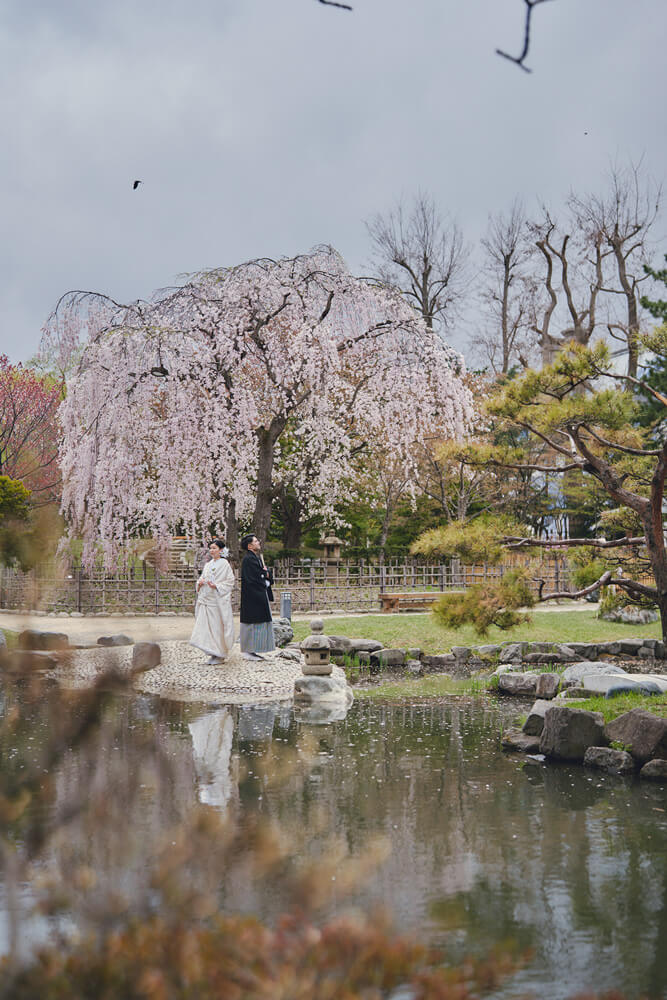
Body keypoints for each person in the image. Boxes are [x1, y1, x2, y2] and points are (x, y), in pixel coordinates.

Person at [189, 538, 235, 665]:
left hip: (217, 601)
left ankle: (220, 653)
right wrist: (201, 582)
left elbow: (230, 581)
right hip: (206, 599)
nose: (212, 550)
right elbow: (201, 578)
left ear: (221, 550)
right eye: (211, 548)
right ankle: (212, 651)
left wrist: (217, 586)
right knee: (206, 627)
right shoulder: (208, 565)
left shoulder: (224, 564)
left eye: (214, 548)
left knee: (217, 628)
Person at [239, 534, 275, 660]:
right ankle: (248, 651)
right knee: (252, 623)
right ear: (249, 546)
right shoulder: (249, 559)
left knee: (257, 623)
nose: (258, 542)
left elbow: (264, 574)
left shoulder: (255, 558)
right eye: (256, 541)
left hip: (257, 595)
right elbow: (255, 577)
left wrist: (266, 573)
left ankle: (253, 650)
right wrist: (265, 574)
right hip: (253, 597)